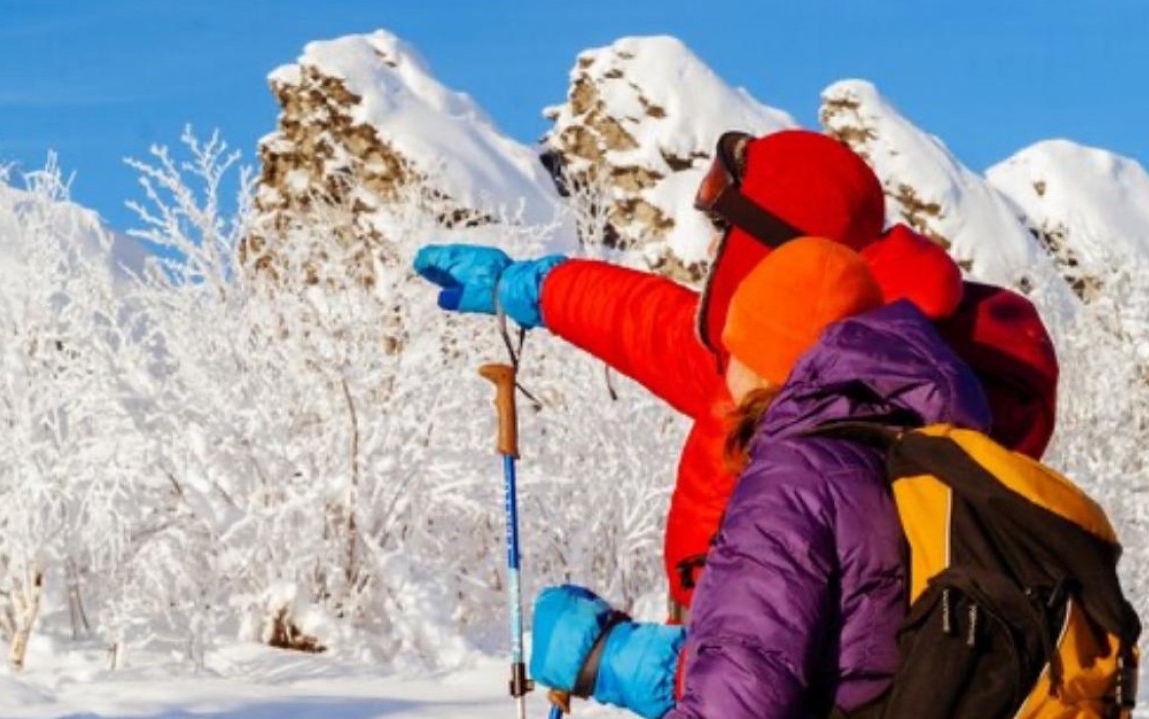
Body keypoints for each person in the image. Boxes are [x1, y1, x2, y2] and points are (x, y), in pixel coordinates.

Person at [414, 129, 1058, 618]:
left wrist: (638, 666)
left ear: (771, 250)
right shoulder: (797, 365)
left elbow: (796, 660)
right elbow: (649, 325)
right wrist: (531, 286)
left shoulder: (865, 417)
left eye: (725, 231)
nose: (710, 251)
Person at [529, 237, 993, 718]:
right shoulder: (903, 454)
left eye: (736, 349)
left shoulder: (794, 481)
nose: (726, 366)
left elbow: (734, 705)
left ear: (766, 363)